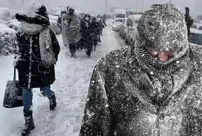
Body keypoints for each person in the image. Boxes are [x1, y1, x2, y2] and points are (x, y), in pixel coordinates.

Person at [80, 4, 202, 136]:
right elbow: (93, 128)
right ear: (141, 42)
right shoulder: (109, 68)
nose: (161, 59)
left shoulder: (199, 64)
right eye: (153, 51)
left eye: (171, 52)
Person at [14, 3, 60, 136]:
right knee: (26, 94)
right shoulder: (20, 32)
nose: (29, 21)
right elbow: (18, 49)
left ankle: (51, 97)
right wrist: (18, 59)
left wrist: (48, 59)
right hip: (25, 69)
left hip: (41, 69)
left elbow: (56, 49)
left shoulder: (47, 33)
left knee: (45, 90)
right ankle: (28, 121)